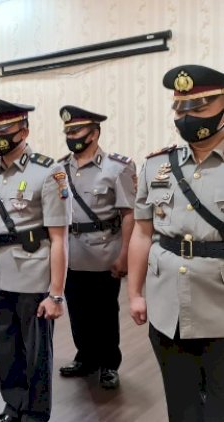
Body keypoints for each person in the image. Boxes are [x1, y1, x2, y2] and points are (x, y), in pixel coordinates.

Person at [128, 64, 224, 422]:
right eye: (180, 108)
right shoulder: (157, 165)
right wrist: (135, 293)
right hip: (168, 307)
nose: (187, 116)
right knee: (181, 402)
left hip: (220, 306)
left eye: (199, 107)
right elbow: (142, 233)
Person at [0, 99, 70, 422]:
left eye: (4, 129)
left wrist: (56, 294)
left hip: (33, 277)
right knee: (6, 348)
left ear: (24, 131)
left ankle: (35, 415)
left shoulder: (48, 171)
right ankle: (13, 407)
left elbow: (59, 237)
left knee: (36, 354)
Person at [56, 106, 136, 389]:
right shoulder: (59, 169)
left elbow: (129, 215)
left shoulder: (117, 167)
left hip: (104, 253)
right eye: (68, 132)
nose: (71, 136)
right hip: (70, 253)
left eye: (76, 131)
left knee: (104, 313)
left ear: (94, 133)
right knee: (78, 311)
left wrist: (125, 255)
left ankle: (109, 364)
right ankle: (86, 357)